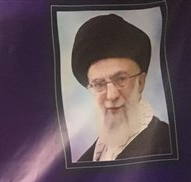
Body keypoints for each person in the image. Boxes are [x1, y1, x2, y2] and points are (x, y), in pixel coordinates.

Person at [71, 13, 171, 162]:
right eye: (99, 84)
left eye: (121, 79)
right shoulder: (86, 159)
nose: (112, 96)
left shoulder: (167, 144)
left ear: (141, 83)